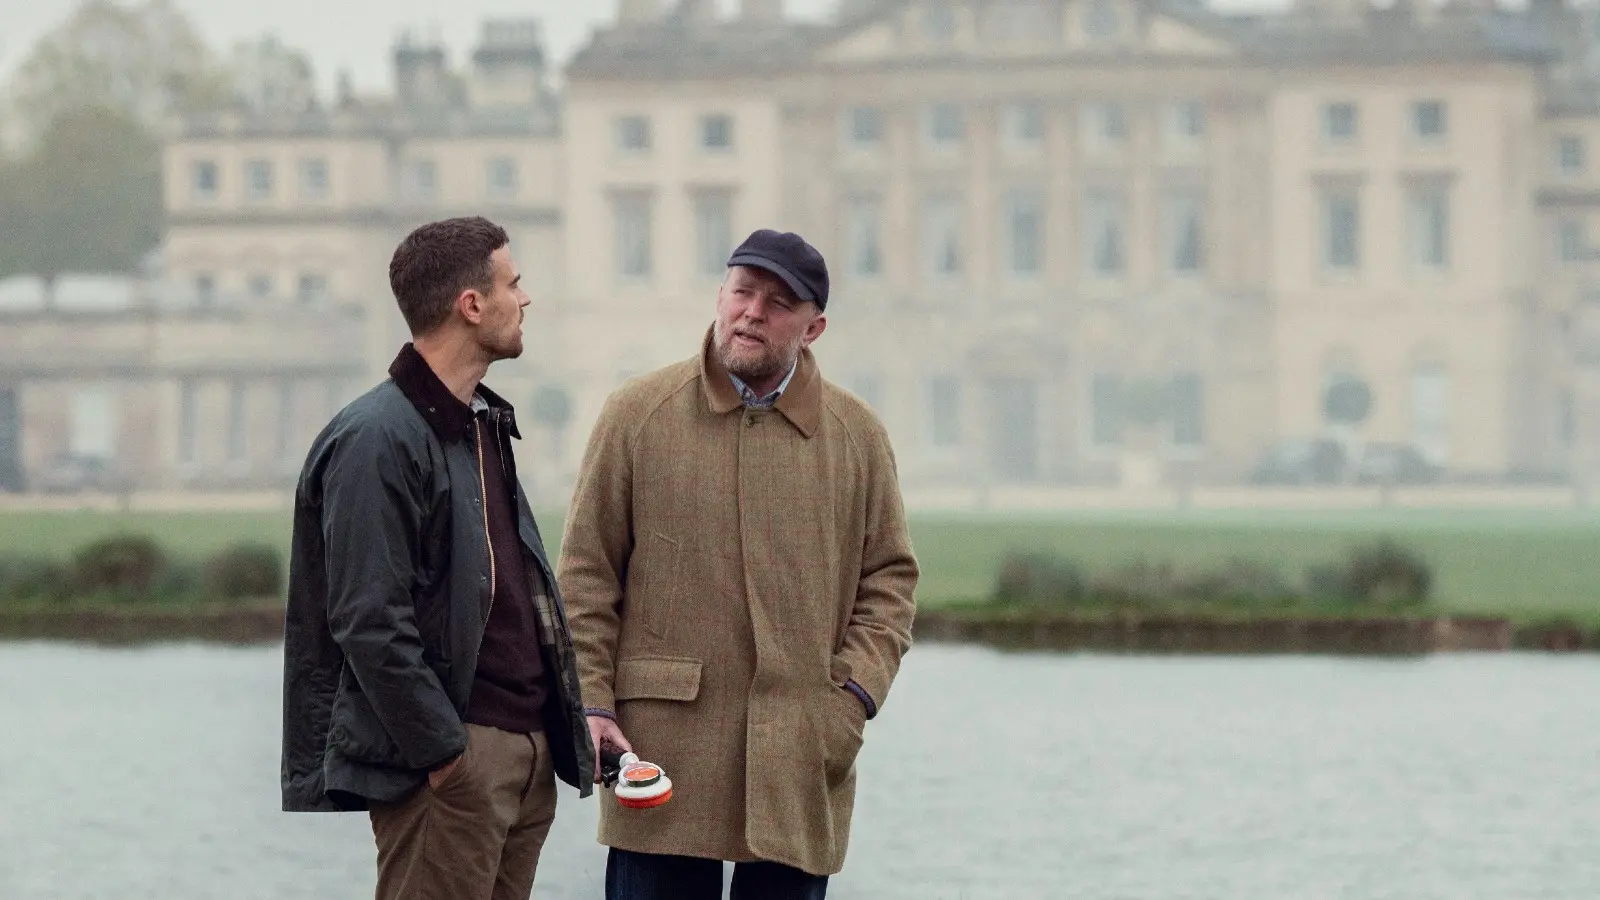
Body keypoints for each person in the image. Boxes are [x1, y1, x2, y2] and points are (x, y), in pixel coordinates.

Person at [558, 229, 919, 899]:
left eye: (777, 302)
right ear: (719, 295)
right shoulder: (636, 415)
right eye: (743, 292)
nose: (752, 312)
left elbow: (890, 583)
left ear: (813, 327)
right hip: (659, 752)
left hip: (802, 756)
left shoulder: (858, 435)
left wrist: (851, 701)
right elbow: (585, 577)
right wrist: (593, 703)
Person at [280, 216, 595, 900]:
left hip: (523, 754)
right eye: (514, 283)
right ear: (471, 305)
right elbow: (368, 620)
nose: (526, 299)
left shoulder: (481, 422)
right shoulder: (376, 439)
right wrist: (445, 755)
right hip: (453, 764)